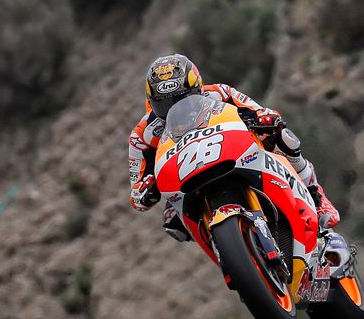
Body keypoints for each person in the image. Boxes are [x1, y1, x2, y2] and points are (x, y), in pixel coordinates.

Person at [128, 54, 339, 242]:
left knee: (283, 136)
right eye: (164, 104)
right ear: (151, 102)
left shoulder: (220, 93)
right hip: (186, 178)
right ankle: (229, 249)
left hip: (230, 151)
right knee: (172, 222)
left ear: (197, 89)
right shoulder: (141, 136)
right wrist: (145, 191)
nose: (174, 107)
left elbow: (260, 111)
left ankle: (316, 195)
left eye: (182, 99)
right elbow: (137, 194)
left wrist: (264, 118)